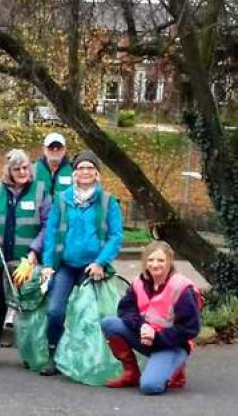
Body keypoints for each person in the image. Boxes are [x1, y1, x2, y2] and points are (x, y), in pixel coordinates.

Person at [40, 150, 124, 376]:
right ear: (74, 173)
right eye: (80, 168)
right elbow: (51, 233)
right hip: (66, 265)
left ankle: (89, 360)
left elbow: (116, 236)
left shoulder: (108, 202)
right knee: (56, 311)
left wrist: (100, 262)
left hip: (93, 268)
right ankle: (53, 354)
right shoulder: (62, 200)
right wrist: (48, 264)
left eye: (90, 168)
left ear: (97, 174)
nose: (85, 172)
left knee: (90, 316)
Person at [0, 149, 50, 367]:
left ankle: (30, 353)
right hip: (1, 259)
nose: (22, 172)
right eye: (17, 169)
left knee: (30, 307)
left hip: (27, 261)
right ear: (9, 171)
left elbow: (48, 225)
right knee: (0, 305)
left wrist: (35, 251)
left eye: (25, 167)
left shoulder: (40, 191)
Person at [101, 241, 200, 394]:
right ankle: (131, 374)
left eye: (160, 260)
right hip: (146, 338)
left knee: (150, 387)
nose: (155, 265)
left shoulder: (181, 288)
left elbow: (190, 328)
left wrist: (157, 336)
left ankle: (176, 368)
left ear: (169, 261)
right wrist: (142, 326)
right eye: (150, 260)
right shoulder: (138, 283)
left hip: (173, 344)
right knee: (110, 323)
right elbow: (125, 310)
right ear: (145, 262)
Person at [34, 132, 73, 197]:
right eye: (51, 147)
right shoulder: (31, 170)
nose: (55, 150)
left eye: (58, 147)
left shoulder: (74, 170)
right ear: (44, 149)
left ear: (65, 149)